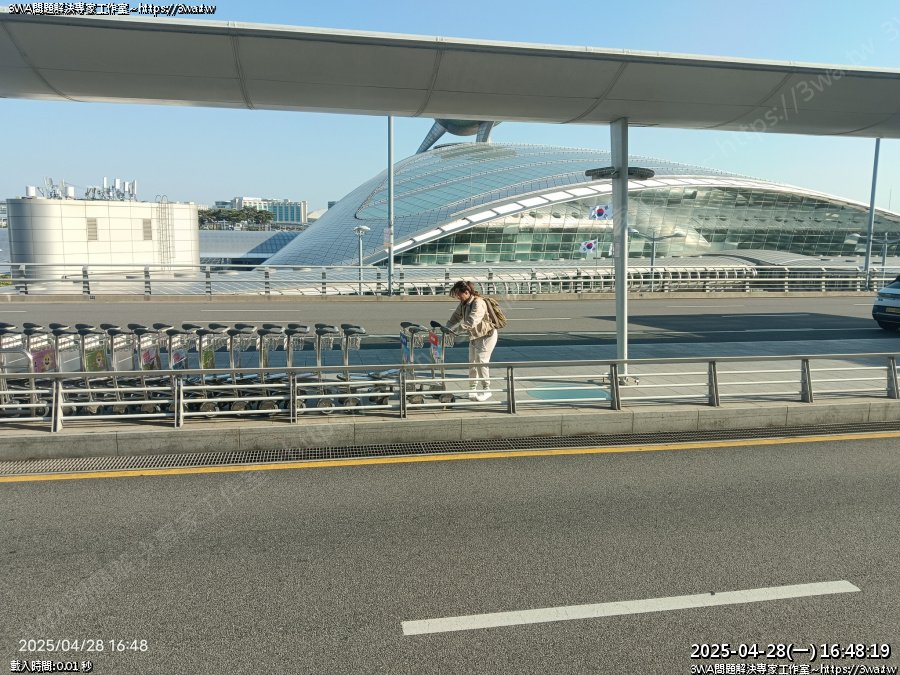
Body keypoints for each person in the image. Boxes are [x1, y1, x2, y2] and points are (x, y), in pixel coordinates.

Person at [446, 280, 498, 401]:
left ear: (467, 292)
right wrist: (447, 327)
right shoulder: (464, 303)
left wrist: (456, 331)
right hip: (475, 336)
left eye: (459, 294)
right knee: (472, 363)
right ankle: (472, 390)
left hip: (486, 336)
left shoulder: (478, 303)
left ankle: (487, 389)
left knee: (481, 361)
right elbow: (456, 316)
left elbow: (472, 321)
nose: (457, 297)